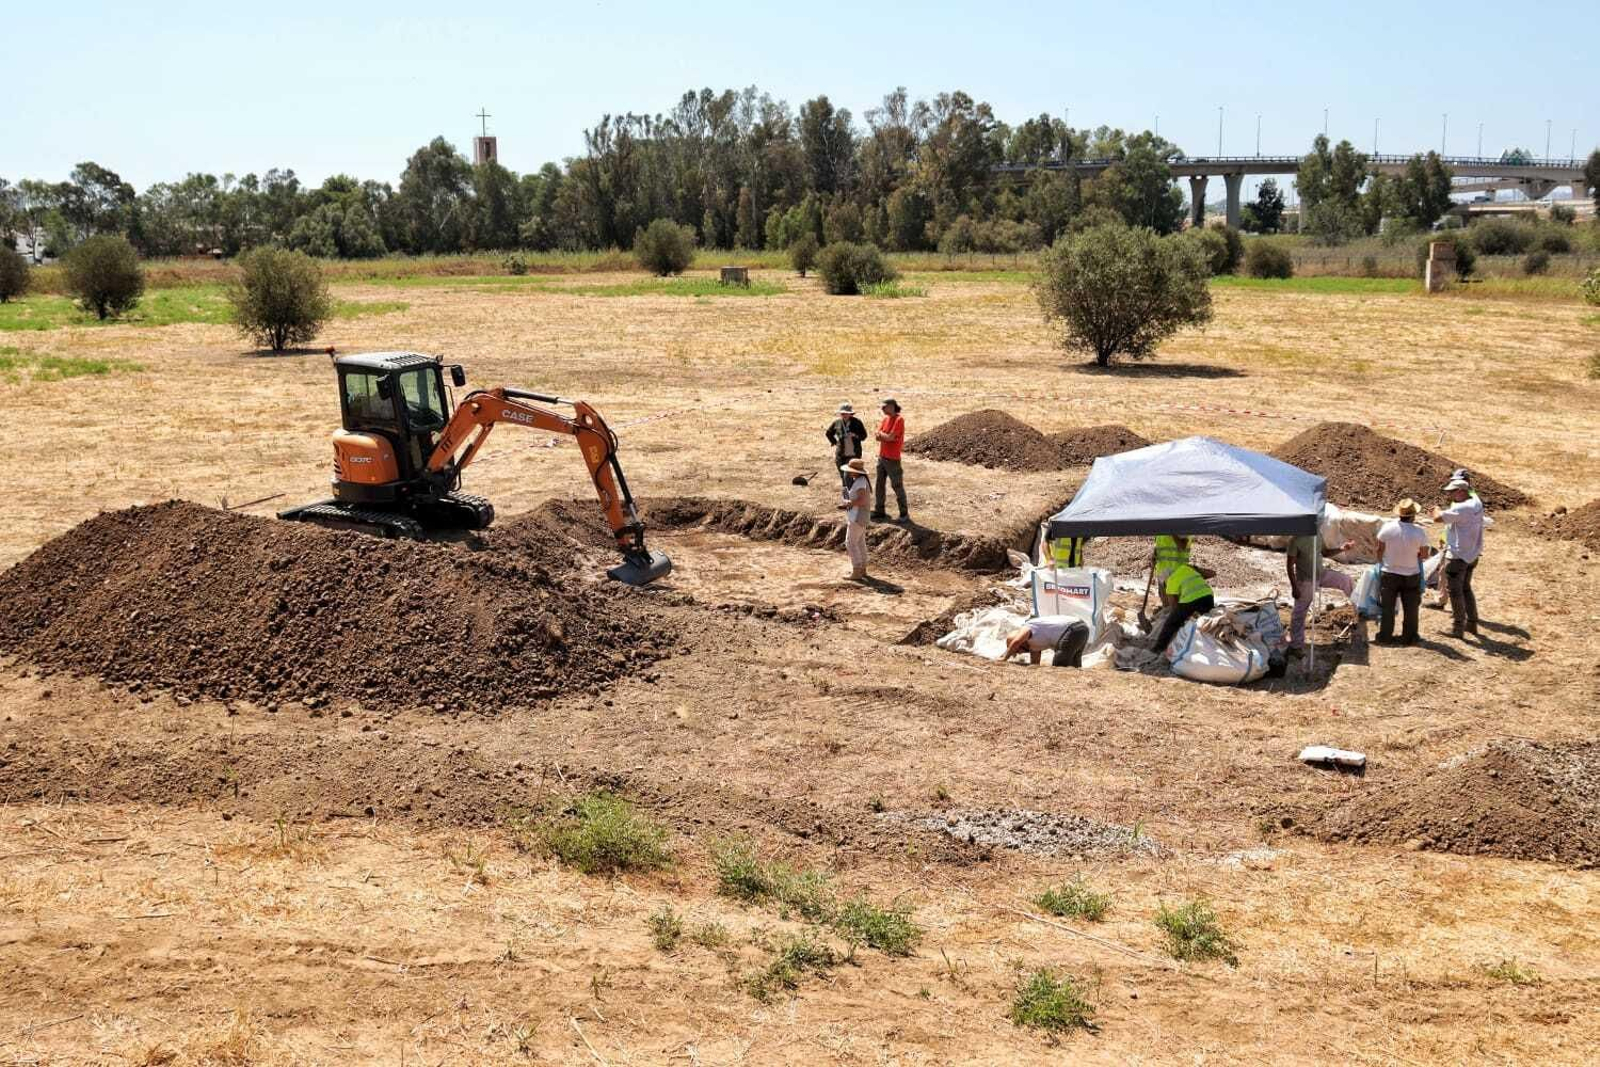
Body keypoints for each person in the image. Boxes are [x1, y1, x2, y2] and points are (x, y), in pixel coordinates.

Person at [1285, 532, 1356, 653]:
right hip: (1306, 580)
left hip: (1321, 574)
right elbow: (1289, 565)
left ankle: (1360, 610)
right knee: (1300, 612)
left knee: (1346, 580)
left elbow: (1325, 552)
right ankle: (1296, 645)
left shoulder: (1317, 534)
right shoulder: (1295, 540)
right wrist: (1294, 586)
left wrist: (1342, 548)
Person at [1374, 498, 1431, 645]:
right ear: (1413, 515)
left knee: (1388, 608)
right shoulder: (1419, 532)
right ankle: (1409, 637)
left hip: (1389, 572)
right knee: (1411, 608)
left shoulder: (1387, 528)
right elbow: (1424, 555)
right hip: (1411, 574)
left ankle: (1385, 636)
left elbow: (1379, 550)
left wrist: (1382, 562)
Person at [1434, 476, 1484, 637]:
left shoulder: (1462, 509)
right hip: (1472, 554)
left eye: (1453, 492)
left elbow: (1437, 518)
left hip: (1458, 556)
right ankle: (1472, 623)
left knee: (1455, 592)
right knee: (1466, 589)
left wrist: (1435, 508)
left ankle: (1458, 627)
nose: (1450, 495)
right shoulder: (1476, 502)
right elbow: (1473, 492)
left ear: (1462, 491)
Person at [1150, 561, 1215, 653]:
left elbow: (1174, 607)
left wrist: (1179, 618)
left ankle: (1158, 647)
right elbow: (1211, 574)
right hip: (1208, 597)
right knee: (1203, 619)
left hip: (1191, 600)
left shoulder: (1171, 581)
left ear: (1165, 579)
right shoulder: (1186, 568)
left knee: (1171, 623)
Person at [870, 398, 909, 524]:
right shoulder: (885, 419)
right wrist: (883, 436)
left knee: (897, 486)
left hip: (893, 459)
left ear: (892, 406)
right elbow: (877, 436)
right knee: (879, 485)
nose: (882, 409)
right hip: (882, 457)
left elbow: (891, 438)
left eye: (884, 406)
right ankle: (879, 510)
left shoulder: (899, 420)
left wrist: (882, 435)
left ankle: (904, 514)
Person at [1003, 616, 1091, 667]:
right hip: (1082, 629)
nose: (1020, 653)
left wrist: (1003, 659)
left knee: (1059, 667)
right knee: (1074, 667)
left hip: (1072, 630)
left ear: (1020, 644)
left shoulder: (1027, 627)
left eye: (1017, 650)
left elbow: (1017, 641)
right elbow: (1035, 665)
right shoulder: (1034, 645)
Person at [1154, 534, 1214, 608]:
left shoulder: (1180, 526)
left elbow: (1183, 546)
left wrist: (1172, 533)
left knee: (1175, 602)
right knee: (1165, 601)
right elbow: (1160, 547)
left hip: (1177, 571)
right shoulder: (1159, 529)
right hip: (1162, 571)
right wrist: (1155, 555)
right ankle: (1168, 615)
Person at [838, 457, 872, 580]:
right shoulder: (862, 480)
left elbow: (862, 500)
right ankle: (862, 568)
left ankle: (857, 570)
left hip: (857, 517)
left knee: (851, 543)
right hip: (861, 516)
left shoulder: (860, 482)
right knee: (859, 542)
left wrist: (848, 503)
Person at [825, 402, 868, 488]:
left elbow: (864, 436)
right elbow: (828, 433)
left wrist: (855, 435)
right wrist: (834, 442)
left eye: (846, 413)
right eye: (842, 413)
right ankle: (847, 497)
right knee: (843, 476)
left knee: (851, 476)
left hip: (854, 455)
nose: (844, 415)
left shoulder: (857, 422)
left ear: (850, 414)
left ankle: (852, 496)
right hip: (841, 455)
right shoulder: (837, 423)